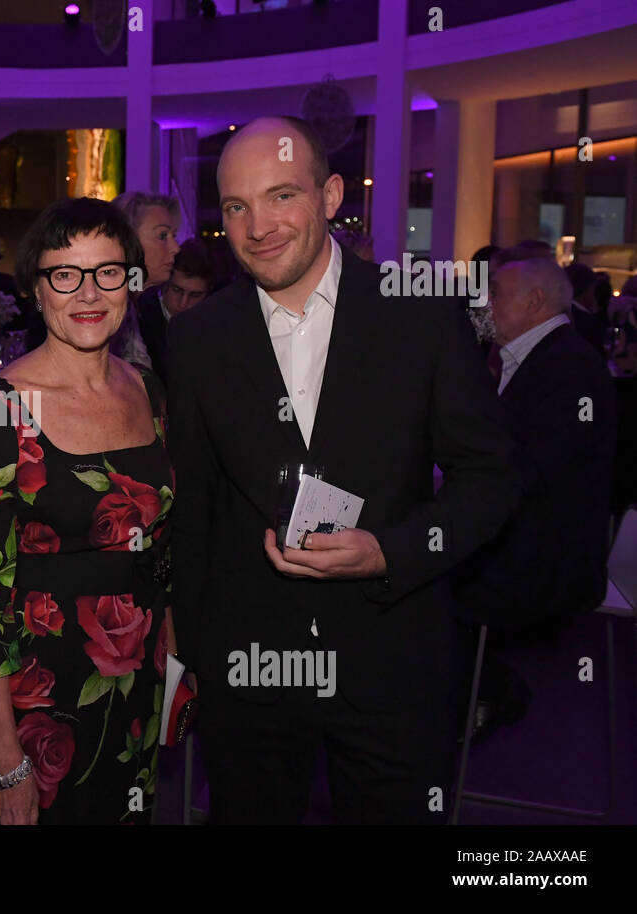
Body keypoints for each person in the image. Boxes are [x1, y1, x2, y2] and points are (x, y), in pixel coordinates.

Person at [168, 117, 519, 823]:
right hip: (249, 665)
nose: (257, 225)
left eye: (281, 196)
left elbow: (493, 478)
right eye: (236, 206)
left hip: (391, 654)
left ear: (330, 195)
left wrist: (390, 551)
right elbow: (194, 505)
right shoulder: (196, 339)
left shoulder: (418, 316)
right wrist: (188, 649)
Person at [0, 196, 175, 824]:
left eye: (108, 271)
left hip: (139, 684)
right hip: (41, 705)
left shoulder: (150, 390)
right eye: (64, 274)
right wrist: (7, 758)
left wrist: (176, 664)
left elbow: (164, 549)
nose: (88, 292)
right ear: (34, 288)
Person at [451, 257, 615, 742]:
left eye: (496, 293)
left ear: (535, 302)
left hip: (544, 561)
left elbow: (523, 476)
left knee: (412, 581)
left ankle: (482, 693)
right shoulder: (548, 359)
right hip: (528, 541)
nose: (485, 303)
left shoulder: (567, 369)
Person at [110, 191, 180, 370]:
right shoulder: (104, 310)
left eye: (174, 236)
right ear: (126, 241)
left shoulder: (135, 307)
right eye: (162, 236)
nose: (175, 248)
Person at [138, 238, 214, 388]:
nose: (183, 303)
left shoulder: (213, 326)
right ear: (164, 283)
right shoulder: (140, 318)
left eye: (195, 295)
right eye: (177, 290)